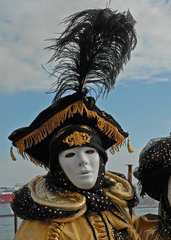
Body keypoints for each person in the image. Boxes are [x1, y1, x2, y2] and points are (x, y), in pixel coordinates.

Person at [9, 8, 140, 240]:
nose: (83, 162)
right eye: (69, 155)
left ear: (101, 159)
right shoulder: (42, 228)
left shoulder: (115, 209)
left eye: (90, 152)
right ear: (57, 165)